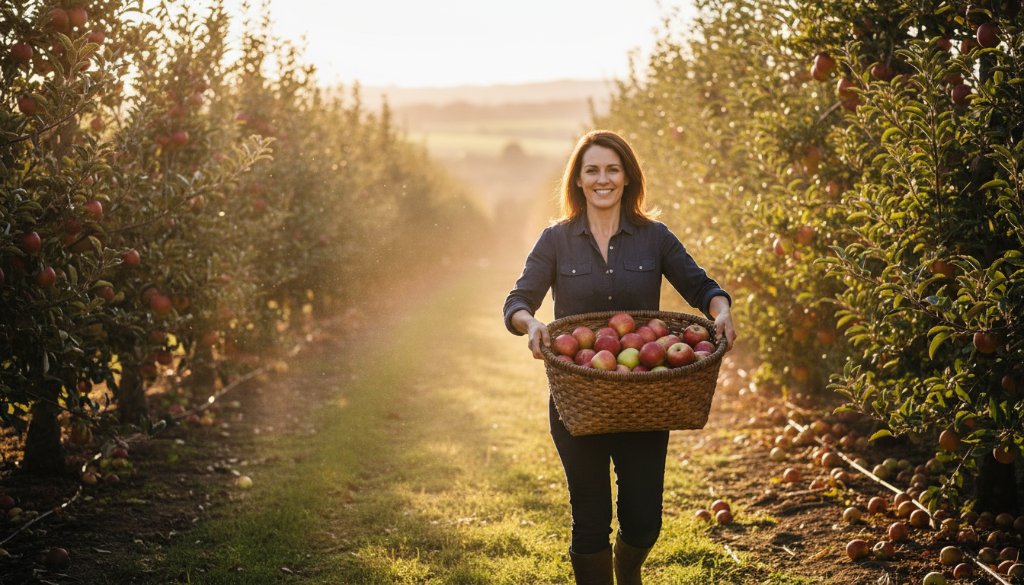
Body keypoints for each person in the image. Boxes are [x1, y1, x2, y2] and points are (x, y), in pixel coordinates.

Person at [502, 130, 737, 585]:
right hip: (579, 399)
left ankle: (628, 572)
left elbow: (702, 286)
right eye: (592, 170)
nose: (602, 179)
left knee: (644, 518)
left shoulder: (655, 238)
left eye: (612, 169)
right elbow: (517, 300)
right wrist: (531, 324)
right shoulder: (555, 240)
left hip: (645, 399)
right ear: (578, 180)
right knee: (589, 517)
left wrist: (721, 309)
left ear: (627, 177)